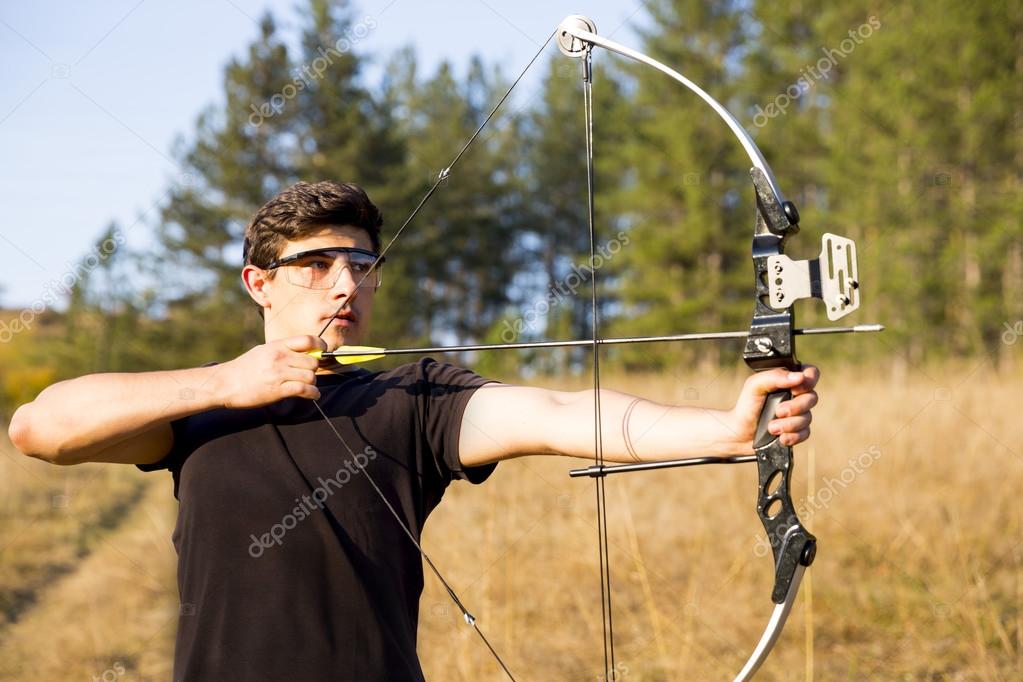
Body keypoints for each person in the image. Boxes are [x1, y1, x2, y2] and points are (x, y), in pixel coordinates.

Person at [8, 180, 819, 680]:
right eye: (317, 265)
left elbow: (559, 414)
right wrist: (224, 383)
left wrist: (725, 429)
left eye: (361, 266)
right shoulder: (198, 411)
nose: (346, 285)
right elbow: (39, 428)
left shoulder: (411, 396)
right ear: (259, 283)